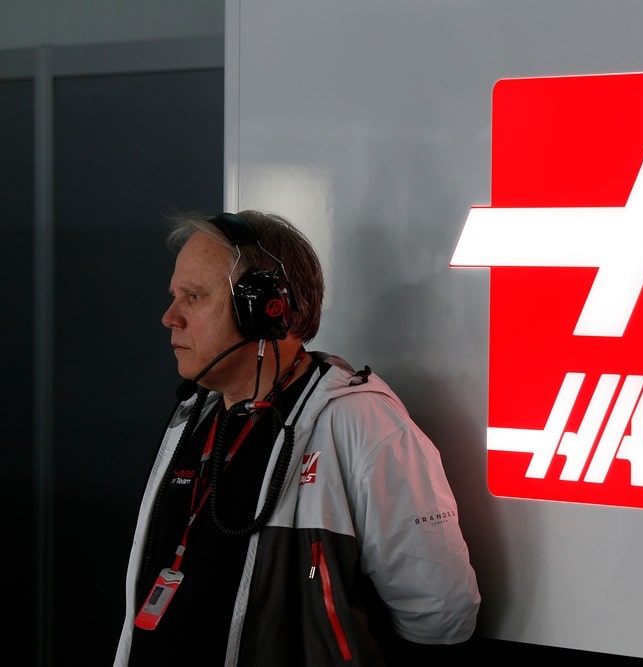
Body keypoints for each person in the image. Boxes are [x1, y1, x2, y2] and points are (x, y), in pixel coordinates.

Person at [114, 210, 481, 666]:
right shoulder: (193, 417)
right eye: (175, 296)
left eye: (194, 296)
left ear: (266, 308)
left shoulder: (360, 424)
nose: (170, 317)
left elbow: (441, 614)